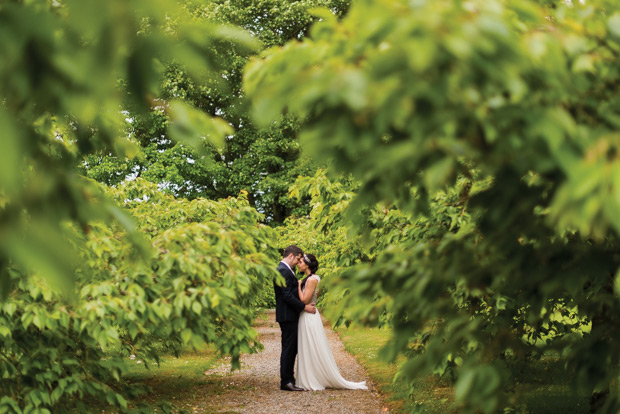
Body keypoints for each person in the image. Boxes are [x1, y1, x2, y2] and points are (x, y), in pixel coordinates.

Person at [295, 254, 368, 391]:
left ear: (308, 265)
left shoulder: (311, 280)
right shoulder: (315, 278)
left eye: (301, 262)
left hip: (308, 315)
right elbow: (315, 297)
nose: (299, 264)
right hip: (310, 314)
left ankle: (311, 379)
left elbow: (304, 300)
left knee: (310, 345)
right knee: (310, 345)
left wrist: (298, 286)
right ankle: (313, 376)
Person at [275, 245, 317, 391]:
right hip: (287, 315)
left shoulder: (287, 270)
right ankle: (286, 381)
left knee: (292, 348)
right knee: (288, 348)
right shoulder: (282, 271)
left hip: (290, 314)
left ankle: (289, 379)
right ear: (291, 256)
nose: (299, 262)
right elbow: (286, 295)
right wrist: (304, 307)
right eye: (298, 258)